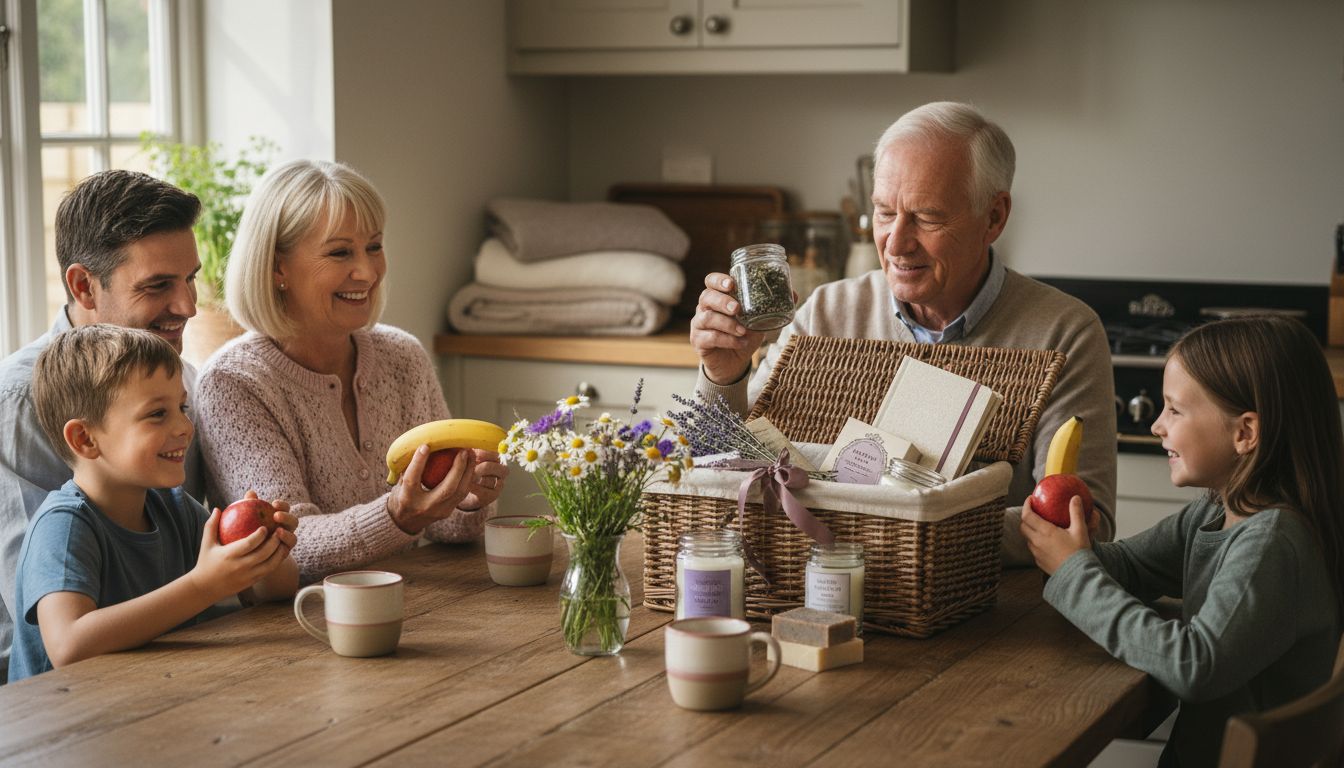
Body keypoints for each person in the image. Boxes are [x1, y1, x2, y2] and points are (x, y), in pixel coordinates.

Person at [690, 101, 1117, 563]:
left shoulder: (1064, 333)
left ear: (994, 217)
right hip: (825, 583)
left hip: (990, 602)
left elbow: (1083, 524)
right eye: (884, 212)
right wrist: (723, 375)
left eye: (927, 217)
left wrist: (892, 526)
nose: (895, 243)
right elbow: (722, 471)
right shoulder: (829, 313)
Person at [1020, 316, 1343, 768]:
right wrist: (1079, 549)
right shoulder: (1216, 511)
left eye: (1174, 410)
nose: (1156, 425)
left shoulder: (1272, 543)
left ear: (1245, 433)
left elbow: (1195, 665)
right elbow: (1131, 567)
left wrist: (1074, 571)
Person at [195, 159, 508, 582]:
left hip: (417, 604)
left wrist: (468, 499)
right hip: (300, 616)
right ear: (277, 268)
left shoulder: (403, 356)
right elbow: (289, 547)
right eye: (340, 252)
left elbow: (447, 529)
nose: (367, 272)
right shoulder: (233, 383)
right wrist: (397, 514)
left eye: (374, 247)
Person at [0, 170, 204, 679]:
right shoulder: (19, 403)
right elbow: (48, 621)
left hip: (169, 667)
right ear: (83, 286)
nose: (189, 307)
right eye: (158, 285)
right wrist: (208, 585)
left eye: (191, 279)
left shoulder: (180, 381)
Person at [8, 325, 298, 682]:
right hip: (70, 713)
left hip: (155, 698)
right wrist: (203, 586)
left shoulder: (174, 507)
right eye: (158, 414)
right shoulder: (63, 526)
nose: (184, 426)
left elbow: (272, 593)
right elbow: (70, 646)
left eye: (182, 406)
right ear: (85, 439)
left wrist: (267, 551)